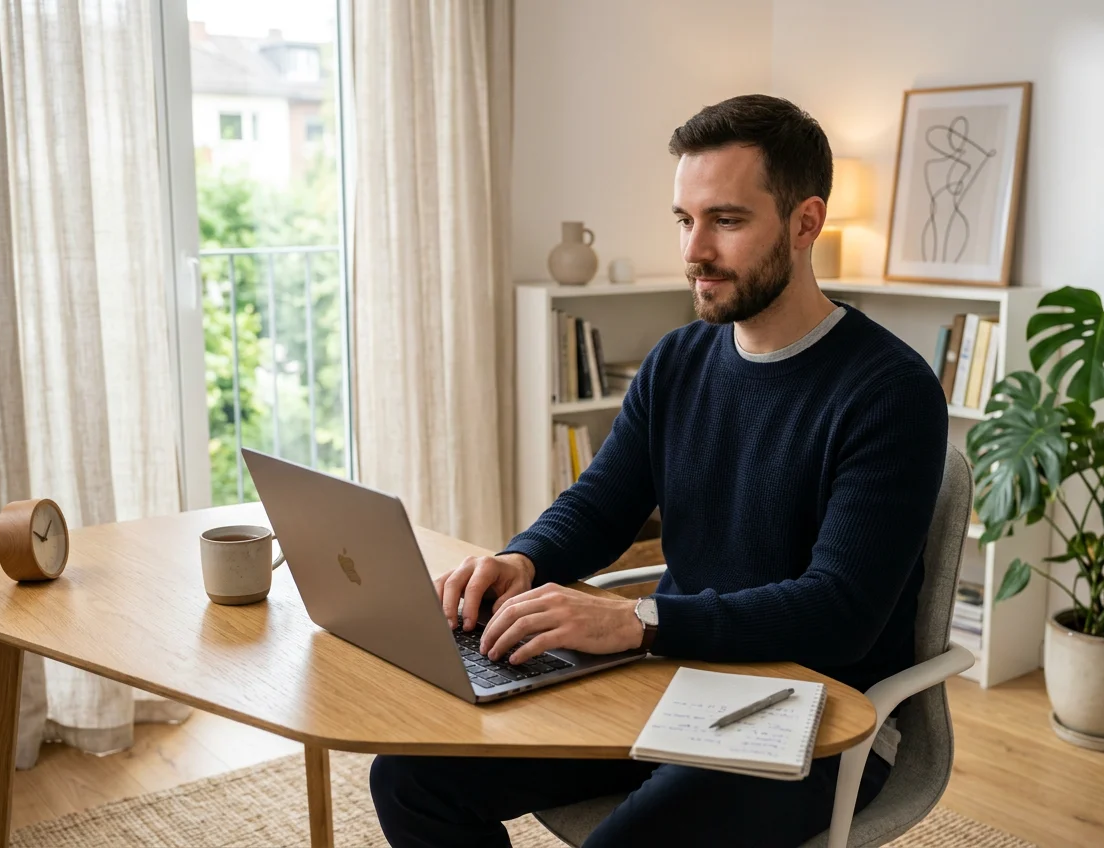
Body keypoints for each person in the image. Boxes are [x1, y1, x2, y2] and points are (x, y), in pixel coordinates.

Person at [369, 94, 949, 848]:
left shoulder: (889, 392)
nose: (694, 250)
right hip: (676, 678)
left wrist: (639, 621)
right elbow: (601, 505)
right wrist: (523, 559)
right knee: (410, 779)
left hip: (819, 712)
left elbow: (839, 613)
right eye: (685, 219)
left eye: (727, 221)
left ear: (806, 223)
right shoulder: (677, 362)